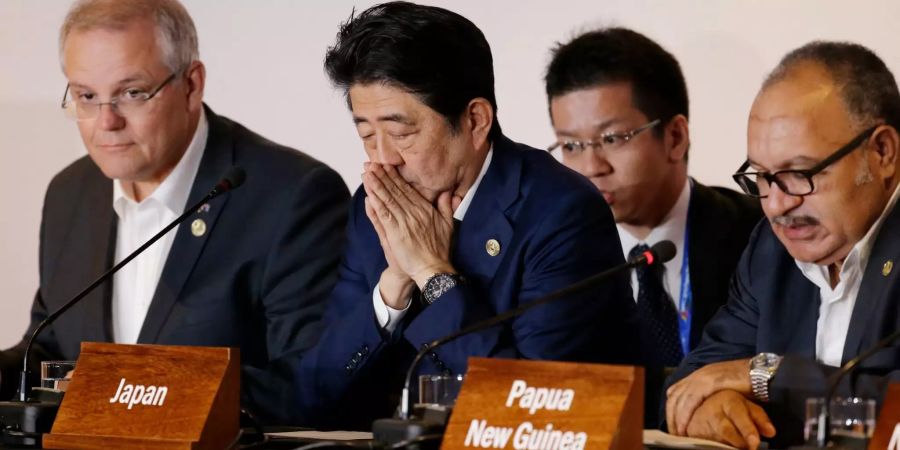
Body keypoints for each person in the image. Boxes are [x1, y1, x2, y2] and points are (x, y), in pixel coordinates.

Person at [0, 0, 349, 424]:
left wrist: (138, 392)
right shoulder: (70, 194)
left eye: (131, 92)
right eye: (87, 96)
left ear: (191, 85)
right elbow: (50, 346)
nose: (105, 121)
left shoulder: (291, 195)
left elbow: (310, 383)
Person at [294, 1, 638, 429]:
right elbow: (311, 400)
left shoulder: (561, 212)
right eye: (366, 134)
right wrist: (393, 289)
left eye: (401, 133)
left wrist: (432, 274)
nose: (382, 159)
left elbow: (534, 411)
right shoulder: (376, 205)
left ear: (476, 120)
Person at [664, 41, 900, 448]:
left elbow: (893, 423)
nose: (776, 204)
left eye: (799, 173)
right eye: (761, 176)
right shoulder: (771, 252)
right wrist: (714, 407)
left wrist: (772, 376)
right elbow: (698, 377)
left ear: (882, 152)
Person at [544, 27, 761, 424]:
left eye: (613, 138)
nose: (593, 167)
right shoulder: (553, 258)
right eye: (572, 146)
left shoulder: (760, 236)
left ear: (675, 137)